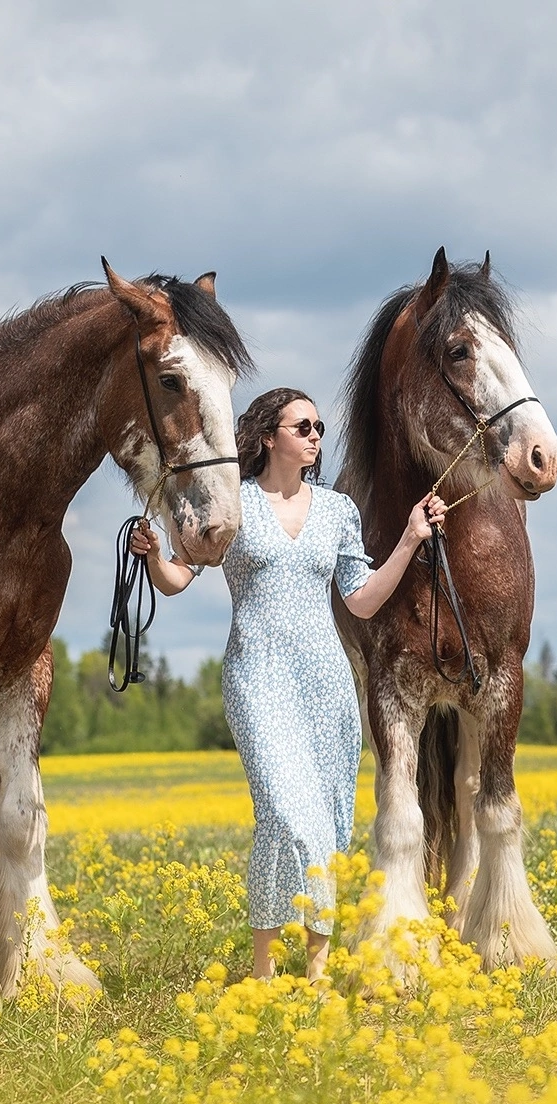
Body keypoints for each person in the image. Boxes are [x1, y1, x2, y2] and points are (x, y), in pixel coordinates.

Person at [131, 387, 445, 980]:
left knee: (323, 824)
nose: (315, 436)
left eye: (319, 427)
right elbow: (178, 578)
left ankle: (310, 973)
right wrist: (152, 556)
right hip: (258, 675)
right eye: (302, 426)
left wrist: (407, 540)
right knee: (286, 811)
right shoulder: (236, 506)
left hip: (326, 682)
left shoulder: (338, 511)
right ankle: (265, 969)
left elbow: (364, 600)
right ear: (268, 436)